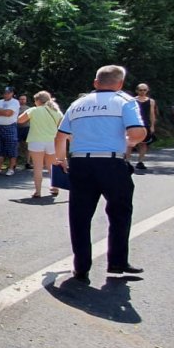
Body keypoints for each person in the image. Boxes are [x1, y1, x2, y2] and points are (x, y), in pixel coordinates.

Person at [54, 65, 146, 282]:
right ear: (120, 84)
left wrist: (61, 159)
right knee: (119, 212)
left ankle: (81, 267)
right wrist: (131, 140)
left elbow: (60, 136)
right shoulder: (125, 101)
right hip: (111, 163)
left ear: (95, 83)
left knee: (80, 215)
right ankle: (117, 262)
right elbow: (136, 132)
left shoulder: (78, 104)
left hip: (80, 163)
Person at [17, 91, 63, 197]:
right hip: (52, 141)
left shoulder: (33, 110)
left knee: (38, 167)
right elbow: (61, 126)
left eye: (35, 100)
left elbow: (20, 120)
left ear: (38, 101)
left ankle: (38, 191)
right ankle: (55, 187)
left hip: (36, 141)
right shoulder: (56, 111)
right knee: (52, 166)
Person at [126, 83, 157, 171]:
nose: (142, 92)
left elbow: (152, 114)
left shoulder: (151, 101)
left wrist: (152, 126)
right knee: (130, 143)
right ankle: (127, 161)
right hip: (133, 123)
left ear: (147, 91)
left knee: (143, 143)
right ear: (137, 91)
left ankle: (140, 161)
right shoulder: (132, 100)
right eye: (140, 90)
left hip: (145, 124)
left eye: (144, 90)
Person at [0, 86, 21, 175]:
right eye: (5, 93)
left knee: (11, 148)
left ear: (12, 93)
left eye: (8, 93)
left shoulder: (15, 102)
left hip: (10, 126)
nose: (6, 94)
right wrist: (3, 112)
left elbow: (9, 113)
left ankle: (11, 168)